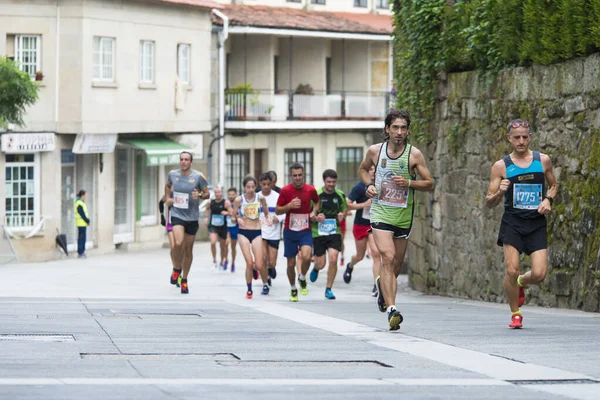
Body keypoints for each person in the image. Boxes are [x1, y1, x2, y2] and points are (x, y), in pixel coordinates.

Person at [359, 109, 433, 330]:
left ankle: (383, 289)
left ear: (407, 131)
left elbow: (429, 183)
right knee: (388, 257)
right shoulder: (375, 151)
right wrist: (369, 185)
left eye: (403, 128)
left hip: (403, 216)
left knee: (396, 265)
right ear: (387, 129)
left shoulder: (414, 155)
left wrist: (409, 183)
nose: (399, 132)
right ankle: (392, 309)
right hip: (380, 212)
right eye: (395, 127)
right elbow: (363, 170)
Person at [485, 118, 558, 329]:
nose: (521, 141)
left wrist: (548, 199)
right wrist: (500, 191)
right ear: (509, 138)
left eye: (525, 137)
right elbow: (489, 202)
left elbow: (553, 185)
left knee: (539, 274)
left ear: (530, 137)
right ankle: (515, 313)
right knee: (511, 270)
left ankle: (521, 283)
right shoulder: (501, 167)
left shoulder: (543, 160)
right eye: (516, 137)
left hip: (536, 223)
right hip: (513, 222)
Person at [166, 151, 210, 294]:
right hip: (177, 214)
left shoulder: (198, 176)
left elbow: (207, 194)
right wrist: (168, 199)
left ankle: (184, 279)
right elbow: (167, 186)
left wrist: (199, 195)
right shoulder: (172, 174)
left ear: (191, 162)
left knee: (188, 249)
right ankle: (176, 268)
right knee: (178, 243)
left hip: (191, 217)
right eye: (181, 159)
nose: (183, 162)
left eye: (186, 160)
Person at [276, 163, 320, 302]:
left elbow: (317, 202)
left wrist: (314, 212)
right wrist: (289, 206)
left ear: (304, 175)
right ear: (291, 176)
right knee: (290, 264)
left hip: (305, 230)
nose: (297, 178)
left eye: (300, 175)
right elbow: (277, 210)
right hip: (290, 230)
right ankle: (293, 288)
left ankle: (302, 277)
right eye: (294, 175)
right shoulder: (285, 191)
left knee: (307, 257)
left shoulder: (310, 190)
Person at [308, 169, 347, 300]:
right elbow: (309, 214)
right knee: (321, 263)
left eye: (333, 182)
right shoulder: (316, 195)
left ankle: (328, 289)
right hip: (318, 232)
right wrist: (315, 217)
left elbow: (344, 211)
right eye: (328, 182)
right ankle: (316, 268)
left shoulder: (340, 195)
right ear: (324, 181)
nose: (331, 184)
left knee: (334, 259)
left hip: (334, 231)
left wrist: (342, 216)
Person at [343, 165, 382, 297]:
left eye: (375, 170)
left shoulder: (382, 185)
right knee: (360, 255)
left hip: (375, 225)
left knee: (376, 254)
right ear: (367, 172)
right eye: (371, 170)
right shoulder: (359, 187)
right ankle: (350, 265)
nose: (373, 172)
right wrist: (363, 205)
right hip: (360, 224)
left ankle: (376, 284)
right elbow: (347, 204)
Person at [231, 176, 271, 299]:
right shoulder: (239, 200)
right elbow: (233, 217)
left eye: (253, 187)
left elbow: (266, 213)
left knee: (259, 264)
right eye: (248, 187)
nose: (251, 189)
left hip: (256, 231)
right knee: (248, 262)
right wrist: (237, 219)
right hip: (243, 232)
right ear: (244, 187)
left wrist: (268, 220)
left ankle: (265, 283)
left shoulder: (260, 198)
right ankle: (249, 289)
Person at [258, 172, 284, 284]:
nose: (266, 186)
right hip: (261, 232)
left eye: (268, 184)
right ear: (260, 184)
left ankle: (270, 269)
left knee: (272, 262)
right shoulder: (256, 197)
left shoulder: (278, 196)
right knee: (263, 258)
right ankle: (265, 281)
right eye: (264, 184)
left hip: (274, 232)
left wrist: (279, 218)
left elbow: (285, 212)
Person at [159, 184, 181, 287]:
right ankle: (176, 269)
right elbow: (160, 203)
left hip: (181, 224)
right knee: (173, 248)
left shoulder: (183, 195)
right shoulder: (169, 195)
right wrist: (162, 216)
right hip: (171, 223)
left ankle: (180, 269)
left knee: (179, 247)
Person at [204, 187, 230, 270]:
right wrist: (206, 217)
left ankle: (222, 261)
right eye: (216, 192)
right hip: (213, 225)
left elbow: (232, 212)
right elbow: (207, 209)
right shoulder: (210, 202)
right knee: (213, 242)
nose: (218, 194)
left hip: (223, 226)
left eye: (219, 192)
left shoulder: (226, 203)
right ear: (214, 193)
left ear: (222, 193)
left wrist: (227, 213)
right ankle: (214, 260)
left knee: (223, 246)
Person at [226, 187, 239, 273]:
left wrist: (228, 213)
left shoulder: (238, 204)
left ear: (236, 195)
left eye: (233, 194)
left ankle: (233, 263)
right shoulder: (225, 204)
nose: (231, 196)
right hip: (226, 227)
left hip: (235, 227)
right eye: (229, 194)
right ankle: (226, 259)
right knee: (225, 244)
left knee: (233, 247)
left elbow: (239, 215)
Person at [74, 190, 90, 258]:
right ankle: (80, 252)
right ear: (82, 195)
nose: (86, 196)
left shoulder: (81, 202)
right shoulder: (79, 203)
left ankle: (82, 251)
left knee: (83, 238)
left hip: (83, 223)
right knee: (81, 238)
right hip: (81, 223)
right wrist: (87, 220)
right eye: (85, 195)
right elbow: (82, 214)